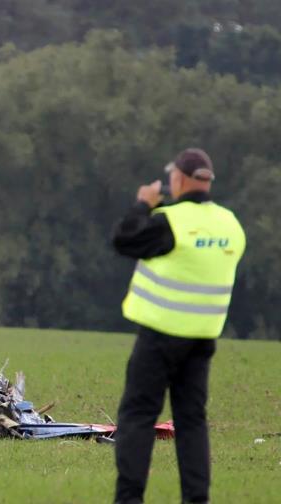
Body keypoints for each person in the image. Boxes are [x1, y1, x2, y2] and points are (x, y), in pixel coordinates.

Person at [111, 148, 245, 504]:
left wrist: (144, 204)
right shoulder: (230, 224)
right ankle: (197, 500)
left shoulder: (170, 221)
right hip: (202, 337)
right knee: (192, 422)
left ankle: (129, 499)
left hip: (160, 335)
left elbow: (124, 239)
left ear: (180, 180)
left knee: (138, 416)